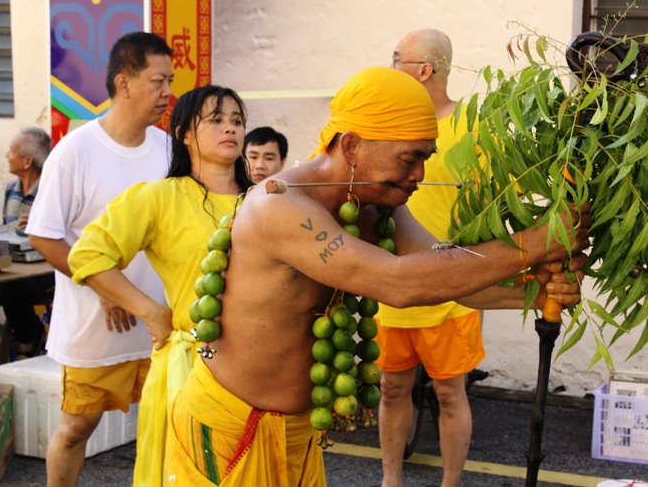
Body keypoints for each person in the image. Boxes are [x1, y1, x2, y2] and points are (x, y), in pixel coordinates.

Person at [163, 67, 591, 485]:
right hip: (231, 429)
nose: (420, 175)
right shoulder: (280, 206)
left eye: (425, 158)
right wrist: (539, 242)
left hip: (298, 433)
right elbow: (399, 283)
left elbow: (449, 274)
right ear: (350, 146)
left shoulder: (376, 204)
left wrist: (534, 292)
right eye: (410, 158)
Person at [68, 85, 251, 487]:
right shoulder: (159, 197)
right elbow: (88, 255)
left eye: (237, 121)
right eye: (216, 120)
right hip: (196, 366)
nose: (230, 129)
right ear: (184, 133)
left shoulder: (263, 202)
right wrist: (153, 312)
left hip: (263, 370)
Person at [25, 32, 174, 487]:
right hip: (97, 327)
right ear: (124, 83)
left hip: (161, 324)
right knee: (75, 430)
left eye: (170, 81)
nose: (168, 93)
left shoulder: (167, 149)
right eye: (158, 81)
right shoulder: (76, 150)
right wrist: (104, 285)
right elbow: (44, 235)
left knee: (170, 430)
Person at [377, 28, 483, 487]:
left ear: (424, 70)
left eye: (396, 58)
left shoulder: (473, 127)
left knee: (449, 392)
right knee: (392, 388)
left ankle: (450, 483)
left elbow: (501, 201)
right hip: (391, 280)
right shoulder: (387, 124)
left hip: (451, 287)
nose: (389, 67)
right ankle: (390, 479)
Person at [0, 127, 53, 358]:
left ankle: (31, 336)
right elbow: (12, 233)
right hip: (13, 268)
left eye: (11, 151)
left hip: (45, 273)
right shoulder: (10, 189)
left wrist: (39, 224)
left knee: (8, 291)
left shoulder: (52, 191)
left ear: (27, 161)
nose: (7, 155)